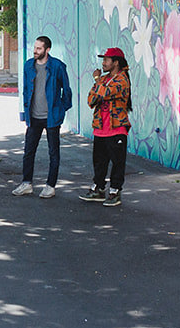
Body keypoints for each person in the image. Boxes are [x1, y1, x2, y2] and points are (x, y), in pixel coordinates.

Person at [15, 35, 72, 197]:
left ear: (47, 50)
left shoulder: (57, 66)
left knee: (53, 152)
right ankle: (27, 183)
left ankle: (50, 186)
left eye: (39, 48)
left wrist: (60, 109)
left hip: (52, 117)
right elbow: (26, 90)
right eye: (34, 47)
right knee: (28, 151)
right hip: (33, 117)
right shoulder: (28, 66)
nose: (35, 51)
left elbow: (66, 92)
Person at [80, 47, 132, 207]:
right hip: (100, 128)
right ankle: (99, 188)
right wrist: (98, 87)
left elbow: (106, 93)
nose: (103, 63)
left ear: (115, 62)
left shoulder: (122, 80)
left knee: (117, 162)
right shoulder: (103, 79)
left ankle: (115, 191)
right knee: (99, 161)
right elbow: (91, 99)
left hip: (116, 128)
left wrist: (97, 82)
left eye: (106, 60)